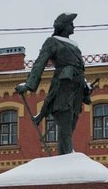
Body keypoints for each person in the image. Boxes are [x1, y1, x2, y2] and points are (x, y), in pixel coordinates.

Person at [15, 12, 93, 155]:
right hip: (63, 86)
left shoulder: (75, 46)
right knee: (64, 125)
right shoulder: (52, 42)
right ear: (63, 27)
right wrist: (28, 85)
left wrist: (86, 86)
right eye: (71, 24)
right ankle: (67, 159)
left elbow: (80, 69)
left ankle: (66, 155)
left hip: (77, 89)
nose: (73, 27)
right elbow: (40, 63)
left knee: (71, 125)